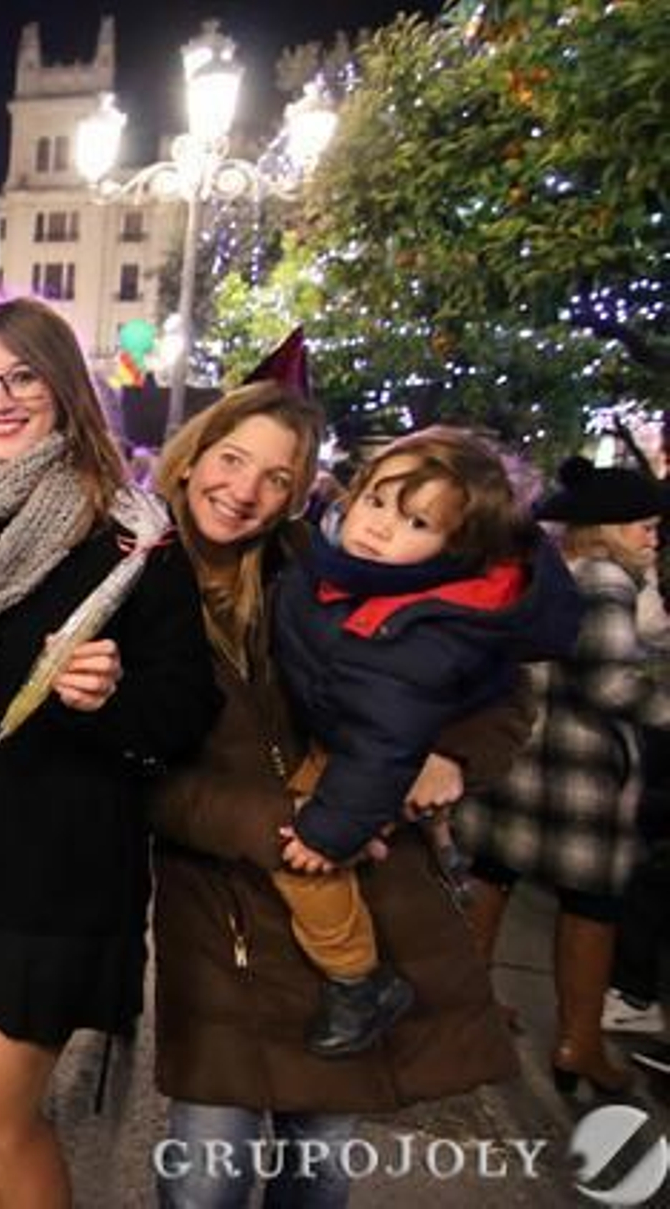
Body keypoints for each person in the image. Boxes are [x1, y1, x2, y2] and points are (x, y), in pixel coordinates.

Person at [0, 296, 220, 1209]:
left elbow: (185, 710)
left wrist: (110, 699)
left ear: (63, 386)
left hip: (55, 870)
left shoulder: (128, 533)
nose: (1, 398)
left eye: (23, 377)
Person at [146, 383, 526, 1208]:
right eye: (232, 459)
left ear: (300, 492)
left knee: (317, 1169)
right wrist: (275, 823)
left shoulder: (330, 570)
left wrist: (450, 756)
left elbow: (495, 688)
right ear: (194, 455)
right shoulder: (132, 572)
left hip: (358, 915)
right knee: (206, 1175)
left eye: (276, 477)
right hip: (223, 921)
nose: (243, 490)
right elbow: (134, 777)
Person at [270, 427, 580, 1057]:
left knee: (305, 868)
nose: (380, 527)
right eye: (377, 502)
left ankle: (357, 980)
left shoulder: (413, 630)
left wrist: (330, 833)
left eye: (416, 522)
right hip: (348, 747)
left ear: (457, 547)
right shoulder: (345, 570)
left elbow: (384, 740)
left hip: (355, 766)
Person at [456, 456, 670, 1095]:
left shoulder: (556, 569)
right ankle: (579, 1041)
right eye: (644, 526)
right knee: (593, 902)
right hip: (580, 775)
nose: (653, 538)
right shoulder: (607, 582)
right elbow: (608, 684)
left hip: (525, 757)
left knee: (492, 875)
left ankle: (464, 1008)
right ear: (610, 527)